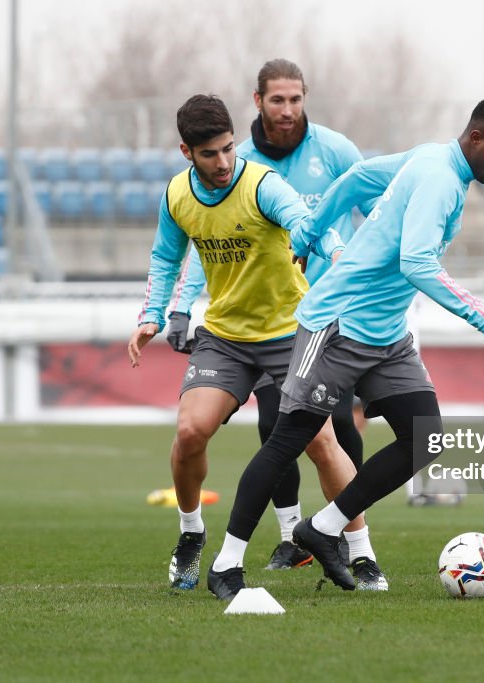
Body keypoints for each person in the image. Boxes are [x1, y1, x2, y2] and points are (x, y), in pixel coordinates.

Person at [205, 94, 484, 599]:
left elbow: (356, 181)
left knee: (424, 437)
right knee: (289, 440)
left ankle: (325, 527)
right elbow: (416, 264)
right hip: (336, 325)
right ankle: (226, 565)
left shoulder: (429, 158)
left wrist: (312, 231)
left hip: (385, 336)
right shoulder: (440, 178)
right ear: (477, 138)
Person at [127, 93, 376, 594]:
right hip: (226, 339)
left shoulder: (263, 185)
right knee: (190, 431)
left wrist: (337, 251)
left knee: (323, 441)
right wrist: (153, 316)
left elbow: (308, 224)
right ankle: (191, 534)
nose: (222, 163)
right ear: (186, 152)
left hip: (291, 334)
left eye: (227, 149)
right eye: (209, 154)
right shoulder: (177, 195)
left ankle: (363, 554)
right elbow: (164, 258)